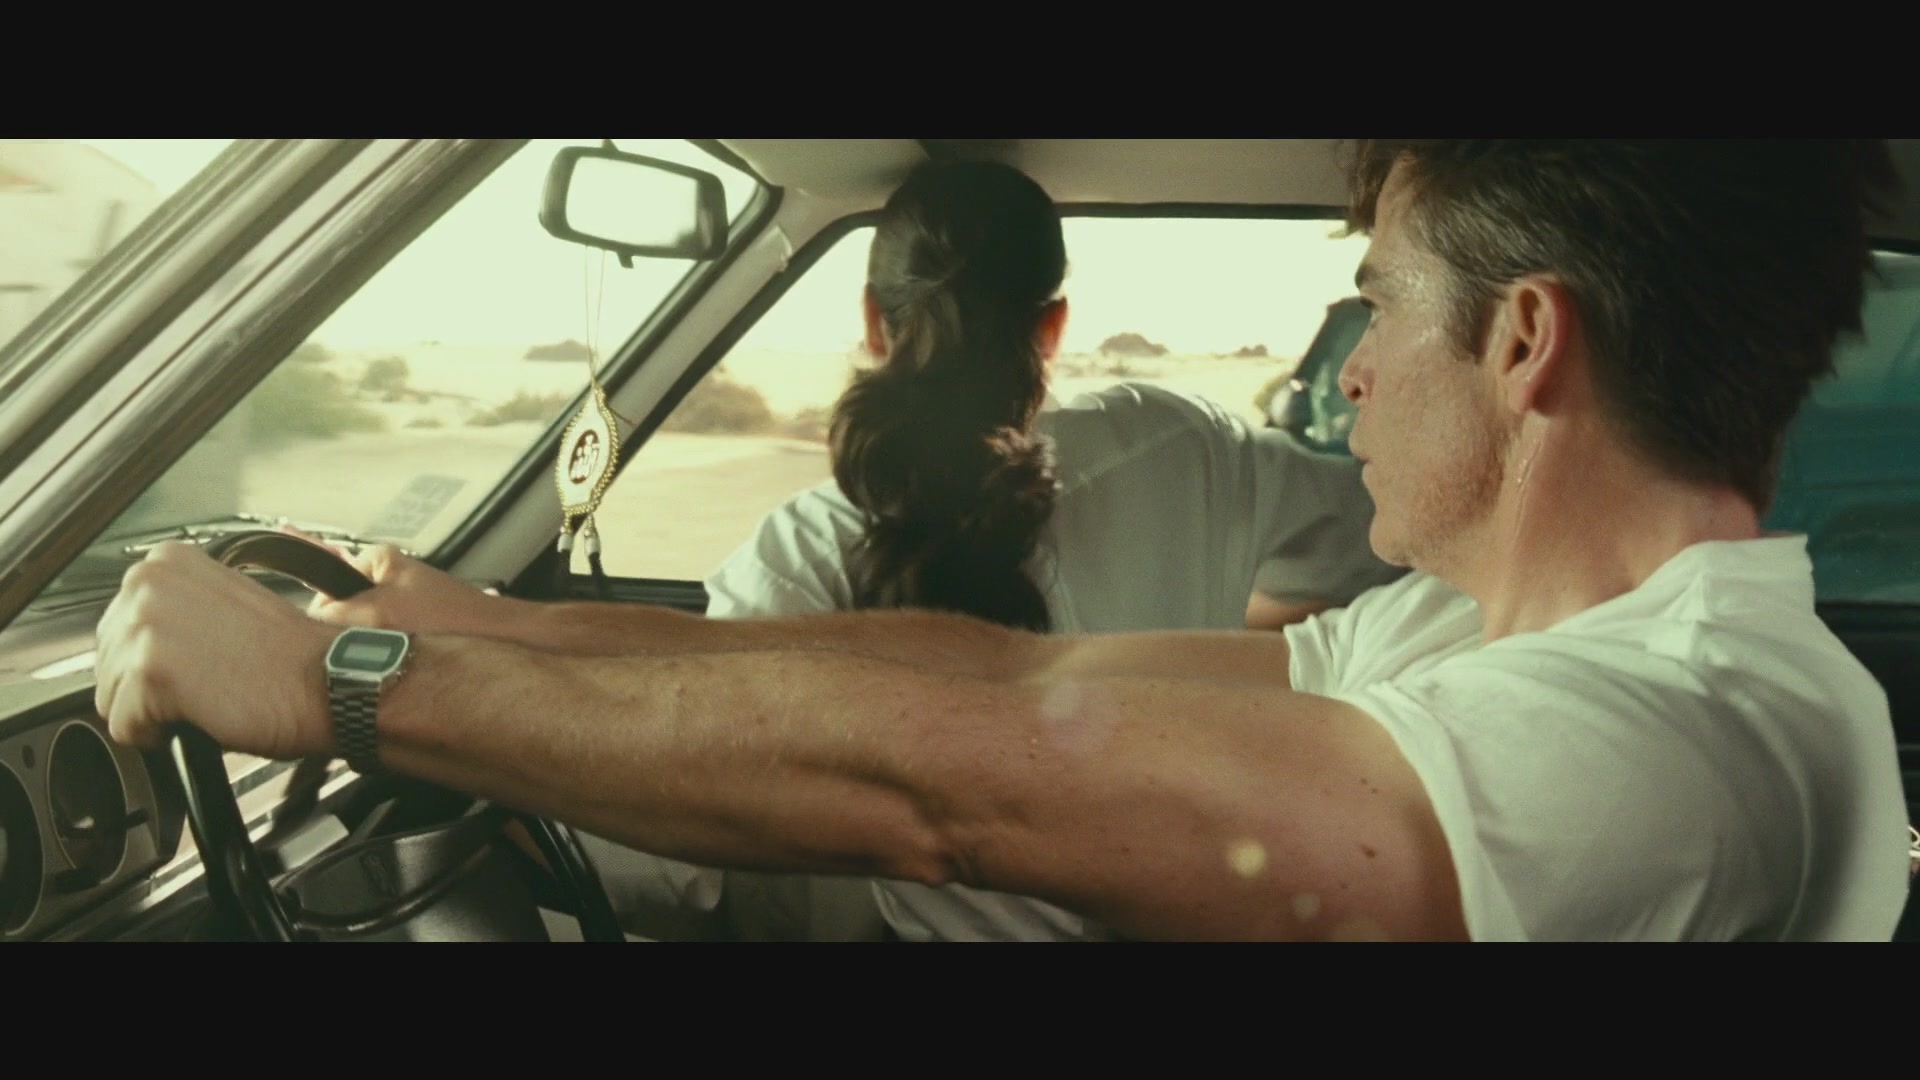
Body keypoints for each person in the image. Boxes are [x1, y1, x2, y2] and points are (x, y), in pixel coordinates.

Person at [96, 140, 1916, 941]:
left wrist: (353, 685)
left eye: (1378, 306)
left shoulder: (1671, 744)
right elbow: (1002, 680)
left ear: (1523, 343)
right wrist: (488, 632)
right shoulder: (1463, 638)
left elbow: (962, 790)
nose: (1351, 374)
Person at [560, 159, 1401, 941]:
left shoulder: (802, 550)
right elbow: (1385, 545)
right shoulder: (1190, 448)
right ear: (1053, 325)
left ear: (874, 321)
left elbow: (692, 857)